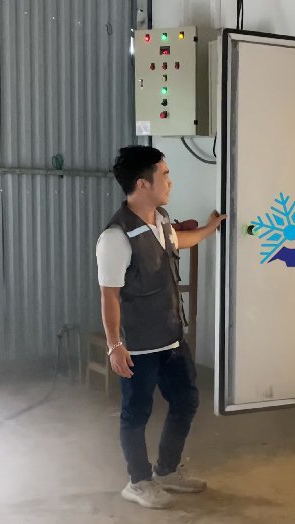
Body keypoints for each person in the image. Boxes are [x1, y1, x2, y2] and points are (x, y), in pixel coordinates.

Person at [96, 145, 226, 509]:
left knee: (186, 400)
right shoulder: (116, 237)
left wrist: (209, 229)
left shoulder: (161, 219)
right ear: (143, 184)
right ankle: (138, 481)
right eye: (164, 174)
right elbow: (109, 296)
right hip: (138, 346)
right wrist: (114, 345)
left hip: (171, 338)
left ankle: (166, 470)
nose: (170, 181)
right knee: (136, 414)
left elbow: (176, 241)